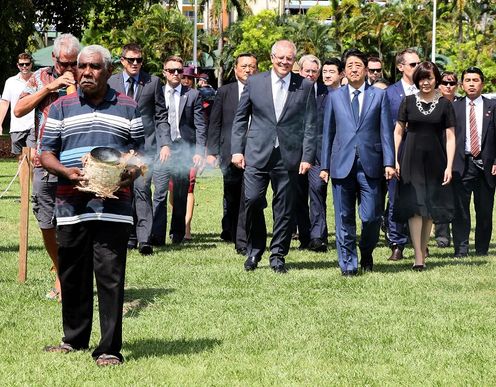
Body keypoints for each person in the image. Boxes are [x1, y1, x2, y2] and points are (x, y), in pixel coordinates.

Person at [40, 44, 144, 366]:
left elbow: (140, 155)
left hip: (114, 207)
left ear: (109, 71)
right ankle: (74, 339)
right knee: (72, 273)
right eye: (82, 66)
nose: (86, 72)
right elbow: (46, 153)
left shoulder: (128, 106)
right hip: (71, 205)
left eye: (94, 67)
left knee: (110, 276)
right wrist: (64, 172)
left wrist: (128, 175)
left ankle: (109, 348)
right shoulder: (61, 107)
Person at [231, 40, 317, 274]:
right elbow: (241, 119)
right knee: (252, 200)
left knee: (285, 208)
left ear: (294, 61)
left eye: (289, 58)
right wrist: (237, 150)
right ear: (272, 58)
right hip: (256, 153)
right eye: (280, 57)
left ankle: (278, 254)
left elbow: (311, 124)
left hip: (289, 156)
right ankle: (255, 249)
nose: (284, 62)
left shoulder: (305, 85)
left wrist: (307, 156)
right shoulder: (255, 82)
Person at [15, 33, 81, 301]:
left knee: (74, 221)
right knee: (46, 221)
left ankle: (67, 277)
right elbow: (19, 109)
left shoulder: (85, 76)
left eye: (72, 62)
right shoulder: (40, 77)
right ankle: (62, 271)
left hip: (75, 161)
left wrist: (75, 86)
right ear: (54, 58)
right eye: (64, 63)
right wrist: (50, 87)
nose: (68, 68)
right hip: (44, 161)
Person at [320, 48, 395, 276]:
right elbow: (328, 134)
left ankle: (366, 251)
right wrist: (324, 166)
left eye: (358, 65)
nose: (354, 69)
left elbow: (385, 132)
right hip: (342, 164)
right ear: (344, 71)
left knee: (371, 216)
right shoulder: (334, 97)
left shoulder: (379, 95)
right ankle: (349, 264)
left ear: (366, 70)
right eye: (350, 65)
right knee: (344, 217)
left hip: (370, 164)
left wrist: (389, 162)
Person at [393, 61, 456, 271]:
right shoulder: (408, 102)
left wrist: (449, 165)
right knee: (415, 208)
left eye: (429, 78)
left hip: (436, 161)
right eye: (421, 78)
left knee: (428, 209)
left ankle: (423, 249)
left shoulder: (445, 104)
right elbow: (398, 132)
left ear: (435, 79)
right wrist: (394, 159)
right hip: (411, 160)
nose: (425, 82)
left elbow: (450, 137)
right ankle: (418, 257)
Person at [108, 43, 170, 256]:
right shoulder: (111, 82)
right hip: (119, 148)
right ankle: (130, 236)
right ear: (122, 61)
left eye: (139, 60)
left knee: (142, 190)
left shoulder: (153, 83)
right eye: (131, 60)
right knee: (123, 191)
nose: (135, 64)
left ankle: (145, 240)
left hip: (145, 147)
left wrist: (165, 144)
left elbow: (161, 116)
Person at [151, 56, 206, 245]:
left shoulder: (192, 95)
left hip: (184, 148)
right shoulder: (156, 93)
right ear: (164, 72)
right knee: (159, 192)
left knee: (182, 194)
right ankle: (156, 236)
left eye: (179, 71)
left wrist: (199, 151)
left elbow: (200, 125)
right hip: (161, 149)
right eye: (172, 70)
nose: (176, 74)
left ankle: (177, 234)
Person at [207, 53, 258, 254]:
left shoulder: (261, 90)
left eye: (252, 66)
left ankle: (243, 239)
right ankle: (230, 228)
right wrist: (211, 152)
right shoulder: (225, 91)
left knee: (251, 196)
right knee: (233, 195)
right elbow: (215, 122)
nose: (248, 70)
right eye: (244, 66)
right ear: (236, 69)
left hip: (255, 152)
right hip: (229, 152)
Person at [452, 67, 496, 257]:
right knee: (460, 210)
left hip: (487, 164)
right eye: (467, 80)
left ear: (482, 84)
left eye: (475, 80)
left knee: (484, 210)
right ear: (462, 84)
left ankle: (481, 249)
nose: (471, 83)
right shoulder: (454, 107)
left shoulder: (492, 106)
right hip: (462, 164)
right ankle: (461, 249)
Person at [385, 48, 421, 261]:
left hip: (423, 152)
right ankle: (397, 243)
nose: (417, 68)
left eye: (419, 64)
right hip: (398, 151)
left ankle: (420, 243)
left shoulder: (427, 90)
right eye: (413, 64)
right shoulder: (389, 93)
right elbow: (384, 127)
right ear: (400, 67)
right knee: (396, 198)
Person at [298, 54, 329, 252]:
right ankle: (304, 236)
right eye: (307, 71)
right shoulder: (291, 89)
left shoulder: (327, 93)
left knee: (317, 189)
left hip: (318, 152)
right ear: (300, 71)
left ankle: (318, 237)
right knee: (297, 194)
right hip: (294, 151)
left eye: (314, 71)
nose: (310, 74)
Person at [434, 71, 459, 248]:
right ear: (439, 85)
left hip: (459, 157)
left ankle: (458, 235)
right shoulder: (433, 104)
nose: (448, 86)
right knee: (438, 197)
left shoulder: (462, 104)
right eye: (445, 83)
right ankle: (442, 236)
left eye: (452, 83)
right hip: (436, 155)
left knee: (457, 198)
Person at [0, 53, 35, 162]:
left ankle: (33, 179)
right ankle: (23, 180)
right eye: (21, 64)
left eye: (27, 64)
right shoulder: (10, 82)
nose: (24, 66)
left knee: (32, 157)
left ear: (31, 64)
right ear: (18, 65)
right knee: (21, 160)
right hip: (16, 125)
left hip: (34, 124)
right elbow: (5, 103)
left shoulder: (37, 79)